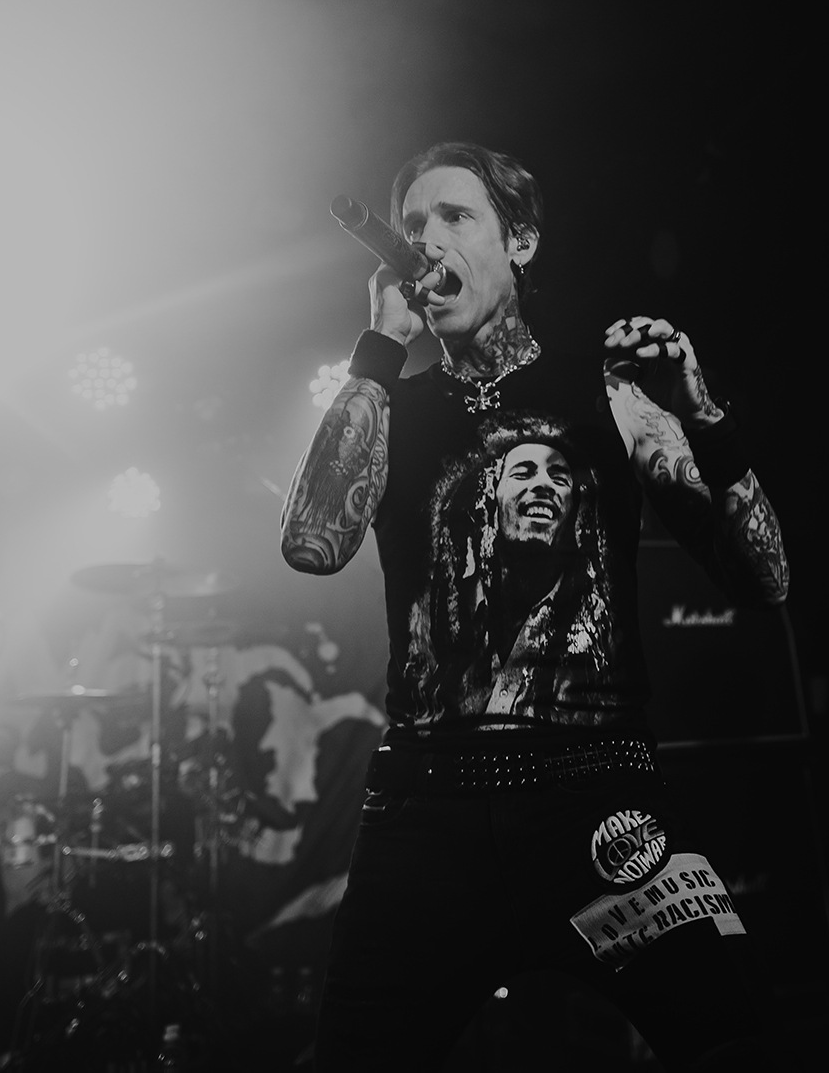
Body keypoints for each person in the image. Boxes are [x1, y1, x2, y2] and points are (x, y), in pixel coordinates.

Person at [280, 141, 788, 1069]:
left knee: (731, 1039)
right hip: (427, 804)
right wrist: (379, 348)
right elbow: (312, 543)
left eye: (455, 216)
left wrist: (705, 416)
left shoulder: (610, 393)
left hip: (598, 792)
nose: (426, 240)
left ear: (520, 242)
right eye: (414, 223)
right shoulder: (390, 403)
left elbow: (766, 580)